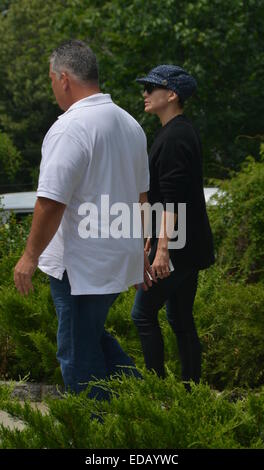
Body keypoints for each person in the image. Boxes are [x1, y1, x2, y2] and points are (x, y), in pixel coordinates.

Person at [14, 39, 152, 399]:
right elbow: (141, 198)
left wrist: (29, 257)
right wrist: (140, 252)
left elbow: (50, 202)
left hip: (79, 267)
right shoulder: (130, 125)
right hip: (114, 261)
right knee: (91, 335)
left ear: (63, 78)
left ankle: (99, 433)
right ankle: (144, 402)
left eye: (51, 80)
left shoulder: (70, 128)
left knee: (76, 353)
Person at [131, 65, 215, 389]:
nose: (145, 93)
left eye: (152, 87)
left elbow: (173, 199)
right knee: (180, 319)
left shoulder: (176, 136)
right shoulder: (176, 131)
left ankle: (156, 394)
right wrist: (152, 241)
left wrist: (162, 250)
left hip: (178, 248)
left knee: (142, 315)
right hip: (186, 246)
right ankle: (189, 395)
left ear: (172, 94)